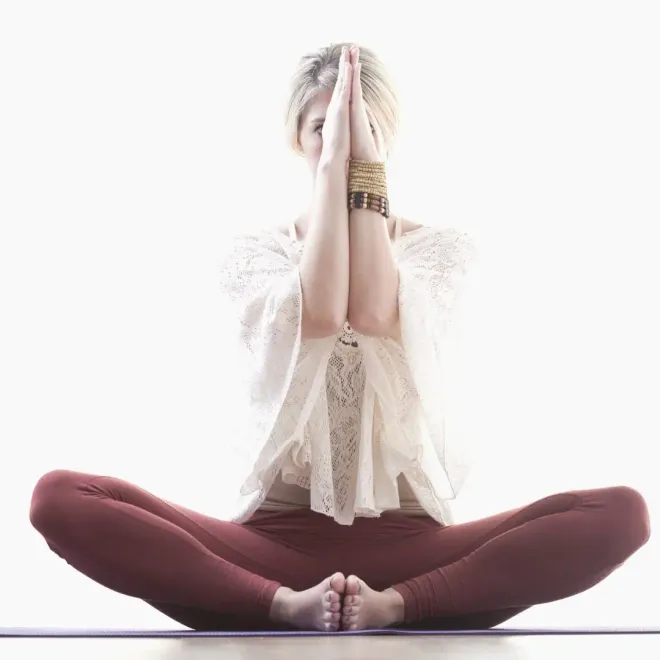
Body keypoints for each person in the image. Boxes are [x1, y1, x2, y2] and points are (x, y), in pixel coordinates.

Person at [29, 43, 650, 633]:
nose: (342, 144)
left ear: (387, 136)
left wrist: (362, 173)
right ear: (296, 139)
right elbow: (321, 313)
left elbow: (374, 311)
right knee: (60, 498)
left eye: (361, 129)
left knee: (621, 514)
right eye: (323, 129)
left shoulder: (442, 251)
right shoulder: (256, 255)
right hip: (270, 551)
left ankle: (399, 608)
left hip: (416, 553)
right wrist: (334, 171)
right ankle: (280, 607)